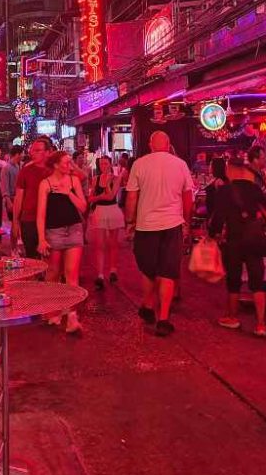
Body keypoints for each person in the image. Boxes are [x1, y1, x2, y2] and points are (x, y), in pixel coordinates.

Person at [125, 131, 194, 337]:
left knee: (148, 269)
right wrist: (187, 222)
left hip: (146, 226)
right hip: (172, 224)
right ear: (168, 143)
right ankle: (163, 318)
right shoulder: (180, 164)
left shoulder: (140, 164)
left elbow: (131, 198)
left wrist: (130, 221)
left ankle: (148, 305)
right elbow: (187, 197)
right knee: (168, 272)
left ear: (150, 144)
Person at [209, 158, 266, 334]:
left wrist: (213, 234)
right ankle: (261, 324)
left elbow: (218, 218)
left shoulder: (224, 191)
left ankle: (232, 317)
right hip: (254, 239)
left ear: (230, 170)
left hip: (234, 241)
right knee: (257, 281)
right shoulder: (254, 189)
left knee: (234, 281)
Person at [36, 151, 87, 333]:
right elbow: (41, 214)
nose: (69, 166)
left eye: (70, 162)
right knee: (53, 273)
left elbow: (83, 206)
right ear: (56, 165)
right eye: (66, 163)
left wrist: (68, 193)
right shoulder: (46, 184)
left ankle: (72, 316)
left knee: (72, 275)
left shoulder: (73, 181)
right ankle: (53, 309)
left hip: (74, 229)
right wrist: (41, 238)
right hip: (54, 232)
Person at [88, 155, 125, 289]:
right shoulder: (95, 179)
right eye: (101, 164)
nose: (103, 166)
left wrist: (106, 190)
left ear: (110, 164)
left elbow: (111, 196)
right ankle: (100, 274)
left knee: (113, 243)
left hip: (112, 210)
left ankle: (113, 269)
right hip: (100, 211)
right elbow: (90, 198)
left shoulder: (116, 178)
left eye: (105, 163)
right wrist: (100, 196)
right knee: (100, 244)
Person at [12, 139, 50, 257]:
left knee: (50, 256)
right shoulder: (26, 171)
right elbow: (19, 198)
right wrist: (15, 221)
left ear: (48, 152)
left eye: (38, 150)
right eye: (32, 150)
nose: (33, 153)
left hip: (50, 219)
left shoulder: (54, 170)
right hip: (29, 219)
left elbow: (81, 177)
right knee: (32, 255)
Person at [1, 145, 23, 223]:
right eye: (22, 153)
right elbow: (4, 186)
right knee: (13, 222)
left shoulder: (18, 166)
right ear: (17, 154)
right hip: (11, 199)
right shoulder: (6, 168)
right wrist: (8, 201)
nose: (23, 155)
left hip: (18, 198)